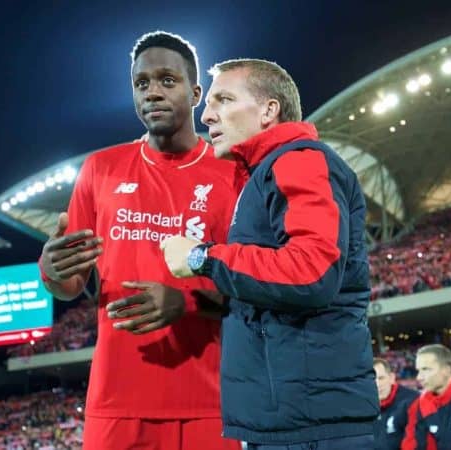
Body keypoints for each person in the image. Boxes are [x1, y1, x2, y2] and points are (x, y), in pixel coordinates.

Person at [161, 58, 379, 449]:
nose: (207, 115)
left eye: (224, 100)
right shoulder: (261, 175)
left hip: (312, 428)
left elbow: (312, 272)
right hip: (292, 420)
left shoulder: (299, 160)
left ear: (268, 110)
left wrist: (201, 258)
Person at [38, 32, 241, 450]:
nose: (152, 92)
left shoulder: (234, 175)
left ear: (196, 92)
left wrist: (186, 303)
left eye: (168, 80)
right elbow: (69, 284)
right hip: (116, 405)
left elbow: (256, 289)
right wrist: (50, 271)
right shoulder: (100, 170)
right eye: (141, 83)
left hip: (211, 404)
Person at [402, 344, 451, 449]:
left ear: (446, 370)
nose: (419, 377)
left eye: (426, 369)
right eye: (419, 370)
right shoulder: (422, 403)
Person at [373, 357, 419, 450]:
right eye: (372, 380)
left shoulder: (412, 400)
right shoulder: (365, 406)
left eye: (381, 378)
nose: (377, 384)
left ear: (391, 378)